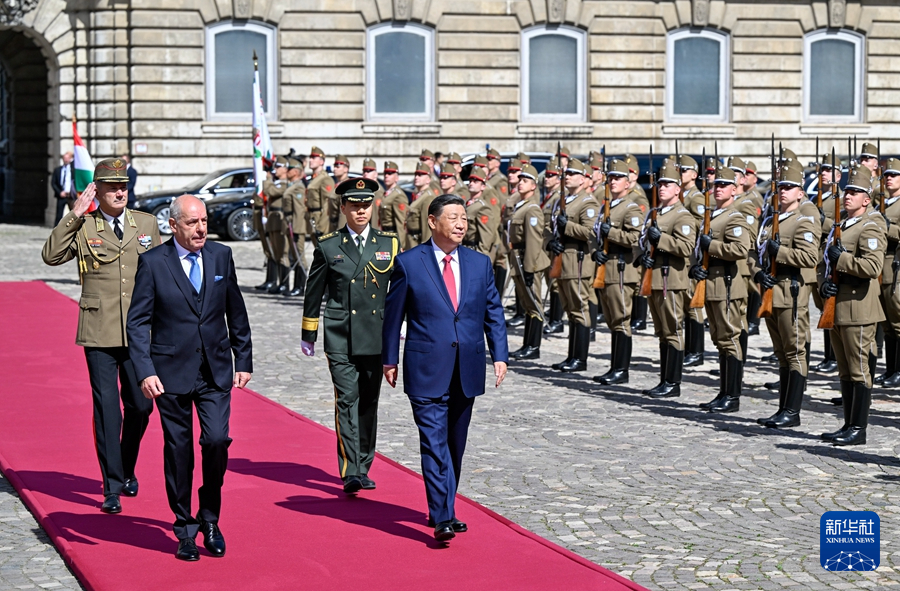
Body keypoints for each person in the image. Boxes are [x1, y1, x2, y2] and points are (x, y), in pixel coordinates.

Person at [127, 195, 253, 560]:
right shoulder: (154, 262)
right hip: (170, 373)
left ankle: (209, 517)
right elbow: (137, 323)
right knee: (178, 450)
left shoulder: (221, 256)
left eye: (204, 221)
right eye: (192, 223)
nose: (201, 229)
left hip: (215, 369)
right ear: (173, 225)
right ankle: (184, 527)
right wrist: (145, 370)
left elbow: (236, 310)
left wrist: (243, 359)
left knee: (216, 440)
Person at [382, 194, 508, 542]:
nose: (460, 224)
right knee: (433, 442)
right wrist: (389, 358)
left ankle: (446, 508)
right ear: (433, 221)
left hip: (467, 368)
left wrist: (500, 354)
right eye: (453, 217)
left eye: (464, 218)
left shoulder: (479, 264)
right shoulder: (409, 263)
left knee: (455, 444)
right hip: (426, 367)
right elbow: (393, 316)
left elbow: (493, 312)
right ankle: (441, 516)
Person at [42, 158, 160, 514]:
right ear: (97, 190)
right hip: (99, 330)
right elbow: (51, 256)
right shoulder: (85, 225)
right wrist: (74, 214)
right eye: (112, 187)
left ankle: (125, 465)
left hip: (138, 331)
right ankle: (112, 485)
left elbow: (161, 273)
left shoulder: (146, 223)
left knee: (141, 405)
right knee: (108, 409)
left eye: (123, 185)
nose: (120, 192)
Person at [300, 178, 399, 493]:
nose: (361, 211)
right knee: (347, 399)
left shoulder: (388, 244)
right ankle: (350, 470)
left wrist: (400, 328)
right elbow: (314, 292)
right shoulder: (329, 245)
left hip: (375, 334)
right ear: (342, 207)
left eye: (366, 205)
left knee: (369, 402)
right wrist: (309, 332)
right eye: (354, 206)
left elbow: (399, 292)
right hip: (341, 334)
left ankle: (364, 464)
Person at [819, 169, 886, 446]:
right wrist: (824, 285)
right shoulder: (843, 223)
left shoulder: (871, 225)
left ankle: (859, 429)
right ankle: (847, 424)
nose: (848, 196)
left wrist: (843, 259)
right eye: (847, 191)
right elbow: (826, 262)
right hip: (837, 306)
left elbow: (872, 267)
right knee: (845, 370)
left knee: (859, 369)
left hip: (859, 308)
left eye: (855, 192)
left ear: (867, 199)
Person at [751, 165, 819, 428]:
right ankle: (782, 409)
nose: (783, 191)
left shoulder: (804, 220)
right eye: (780, 187)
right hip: (770, 291)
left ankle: (792, 411)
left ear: (800, 193)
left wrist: (780, 252)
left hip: (791, 292)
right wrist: (757, 273)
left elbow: (810, 257)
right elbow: (754, 253)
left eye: (789, 187)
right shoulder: (770, 221)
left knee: (795, 351)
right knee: (781, 352)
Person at [689, 167, 751, 413]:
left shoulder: (734, 217)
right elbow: (698, 250)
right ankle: (724, 391)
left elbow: (741, 249)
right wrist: (695, 268)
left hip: (727, 285)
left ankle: (732, 396)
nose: (718, 189)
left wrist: (712, 245)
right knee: (719, 340)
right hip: (712, 284)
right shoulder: (712, 215)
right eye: (716, 185)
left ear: (734, 190)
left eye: (724, 185)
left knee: (730, 338)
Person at [639, 162, 696, 398]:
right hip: (654, 278)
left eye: (667, 184)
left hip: (670, 280)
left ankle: (673, 382)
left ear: (677, 189)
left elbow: (686, 247)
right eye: (660, 184)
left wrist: (660, 239)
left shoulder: (682, 215)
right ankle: (664, 379)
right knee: (662, 332)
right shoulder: (656, 213)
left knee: (673, 330)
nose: (662, 187)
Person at [591, 159, 641, 383]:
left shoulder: (631, 208)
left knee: (621, 320)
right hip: (607, 268)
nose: (613, 182)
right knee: (612, 320)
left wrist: (610, 233)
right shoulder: (607, 206)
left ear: (627, 183)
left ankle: (622, 369)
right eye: (610, 178)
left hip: (622, 269)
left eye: (618, 178)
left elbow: (635, 238)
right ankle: (614, 367)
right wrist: (595, 252)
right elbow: (594, 235)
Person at [547, 158, 599, 373]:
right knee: (570, 310)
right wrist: (551, 241)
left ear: (584, 178)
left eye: (572, 174)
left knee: (579, 308)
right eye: (566, 173)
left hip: (578, 261)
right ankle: (572, 356)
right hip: (562, 260)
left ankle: (580, 358)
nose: (567, 177)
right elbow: (550, 227)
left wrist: (567, 226)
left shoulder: (588, 203)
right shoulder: (562, 200)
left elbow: (590, 232)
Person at [508, 164, 551, 360]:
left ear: (534, 186)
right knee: (527, 304)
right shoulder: (521, 206)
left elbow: (534, 241)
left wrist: (529, 268)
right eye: (520, 180)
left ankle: (534, 347)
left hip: (528, 260)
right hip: (518, 259)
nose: (520, 184)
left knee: (534, 304)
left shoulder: (532, 209)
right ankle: (527, 344)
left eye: (525, 181)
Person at [878, 157, 900, 386]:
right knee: (887, 324)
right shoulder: (881, 203)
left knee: (898, 321)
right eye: (886, 175)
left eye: (894, 175)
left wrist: (887, 226)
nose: (889, 178)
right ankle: (890, 369)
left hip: (896, 268)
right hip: (880, 269)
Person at [306, 146, 334, 239]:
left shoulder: (325, 179)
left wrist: (321, 227)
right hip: (312, 219)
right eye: (310, 157)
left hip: (320, 221)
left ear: (321, 161)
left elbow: (327, 204)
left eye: (314, 158)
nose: (310, 160)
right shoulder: (314, 178)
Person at [379, 160, 408, 247]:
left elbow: (401, 222)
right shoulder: (386, 194)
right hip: (384, 235)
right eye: (385, 173)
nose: (386, 176)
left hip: (393, 236)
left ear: (396, 178)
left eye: (390, 173)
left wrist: (400, 245)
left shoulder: (398, 195)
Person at [51, 151, 74, 224]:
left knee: (74, 214)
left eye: (68, 158)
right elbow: (53, 183)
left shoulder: (73, 170)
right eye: (65, 158)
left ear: (70, 159)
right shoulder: (57, 170)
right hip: (61, 195)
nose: (66, 160)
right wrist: (59, 192)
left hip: (71, 196)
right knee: (59, 215)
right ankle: (56, 229)